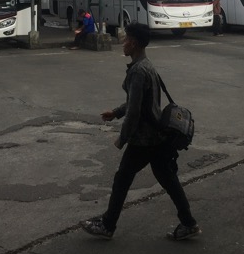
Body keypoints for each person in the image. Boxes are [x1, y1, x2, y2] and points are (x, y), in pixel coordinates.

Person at [80, 22, 201, 241]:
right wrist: (116, 113)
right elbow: (139, 103)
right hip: (158, 136)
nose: (123, 44)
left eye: (125, 40)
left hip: (144, 139)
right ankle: (189, 223)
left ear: (134, 43)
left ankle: (108, 225)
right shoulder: (147, 65)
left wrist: (122, 139)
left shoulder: (137, 71)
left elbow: (135, 111)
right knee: (168, 180)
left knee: (122, 179)